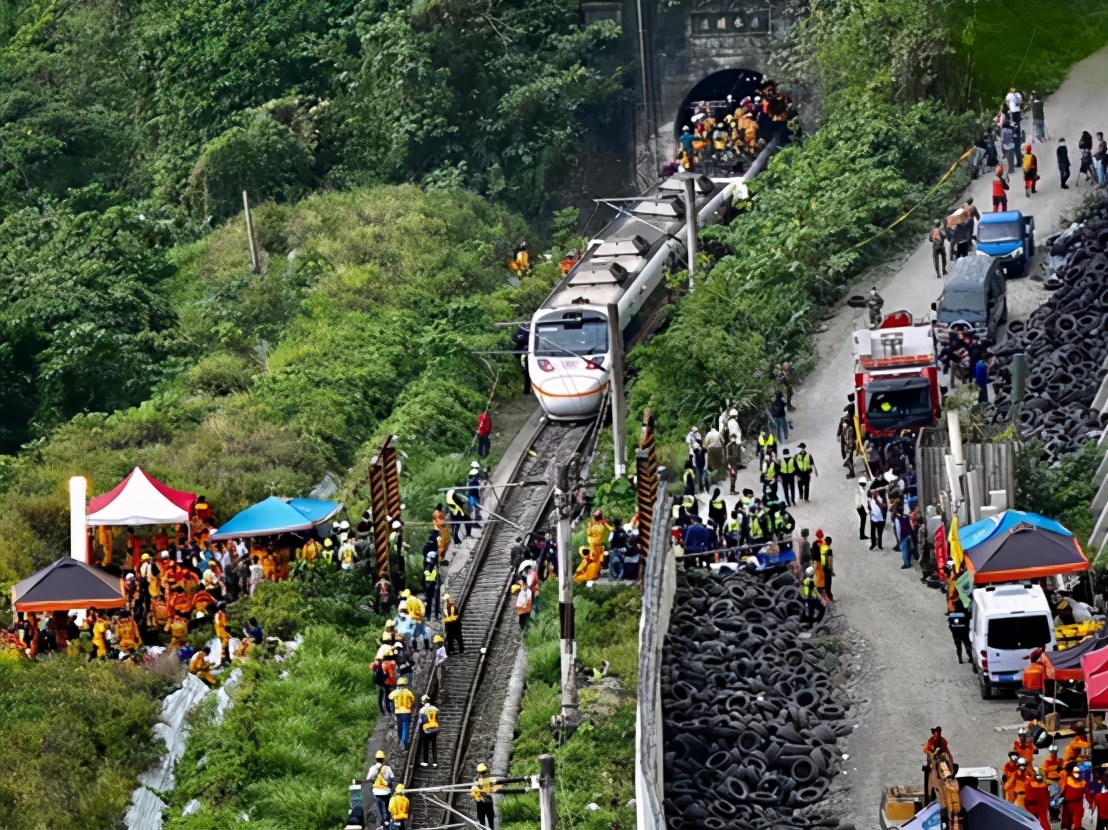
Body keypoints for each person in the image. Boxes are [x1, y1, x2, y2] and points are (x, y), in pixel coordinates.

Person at [368, 750, 395, 829]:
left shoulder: (373, 768)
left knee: (379, 807)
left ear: (376, 759)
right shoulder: (387, 768)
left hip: (377, 791)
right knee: (387, 806)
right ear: (383, 759)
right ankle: (388, 819)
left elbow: (369, 778)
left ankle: (382, 822)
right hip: (386, 791)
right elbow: (392, 777)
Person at [389, 676, 416, 750]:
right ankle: (404, 741)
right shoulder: (408, 692)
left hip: (398, 712)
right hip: (406, 712)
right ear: (405, 684)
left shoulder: (395, 692)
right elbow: (413, 700)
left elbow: (390, 697)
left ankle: (400, 739)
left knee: (400, 725)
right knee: (405, 726)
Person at [472, 763, 499, 828]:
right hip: (484, 801)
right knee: (486, 821)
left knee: (486, 821)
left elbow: (495, 787)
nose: (479, 775)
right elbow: (473, 793)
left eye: (480, 773)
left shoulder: (484, 781)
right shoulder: (478, 781)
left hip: (484, 801)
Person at [1060, 764, 1087, 829]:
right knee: (1071, 821)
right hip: (1071, 804)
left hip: (1073, 804)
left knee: (1074, 821)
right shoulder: (1069, 780)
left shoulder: (1082, 783)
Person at [418, 695, 440, 767]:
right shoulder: (435, 708)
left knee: (425, 746)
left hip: (427, 730)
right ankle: (435, 762)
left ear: (423, 702)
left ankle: (425, 761)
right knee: (434, 746)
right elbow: (437, 715)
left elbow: (420, 722)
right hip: (435, 729)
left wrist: (420, 731)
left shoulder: (422, 710)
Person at [948, 600, 972, 664]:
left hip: (956, 635)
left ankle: (960, 660)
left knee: (958, 647)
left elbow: (950, 626)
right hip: (964, 634)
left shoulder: (951, 615)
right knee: (967, 646)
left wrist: (953, 632)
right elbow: (970, 617)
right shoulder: (965, 613)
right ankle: (971, 658)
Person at [819, 537, 834, 602]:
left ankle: (824, 598)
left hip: (821, 568)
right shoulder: (829, 550)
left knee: (824, 584)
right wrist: (832, 571)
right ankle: (830, 598)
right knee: (828, 584)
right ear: (830, 543)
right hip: (827, 569)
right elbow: (830, 562)